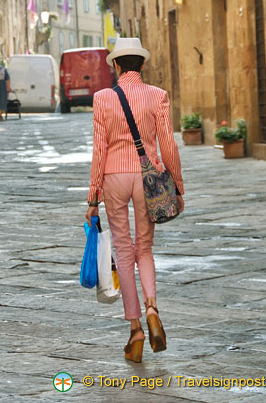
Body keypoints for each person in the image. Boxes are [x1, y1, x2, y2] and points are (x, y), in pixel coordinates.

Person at [85, 38, 184, 363]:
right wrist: (177, 185)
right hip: (148, 177)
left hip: (113, 177)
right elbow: (168, 145)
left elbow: (99, 150)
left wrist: (92, 197)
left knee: (124, 252)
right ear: (142, 65)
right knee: (145, 249)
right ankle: (152, 308)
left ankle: (135, 330)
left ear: (116, 66)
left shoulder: (102, 99)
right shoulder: (157, 96)